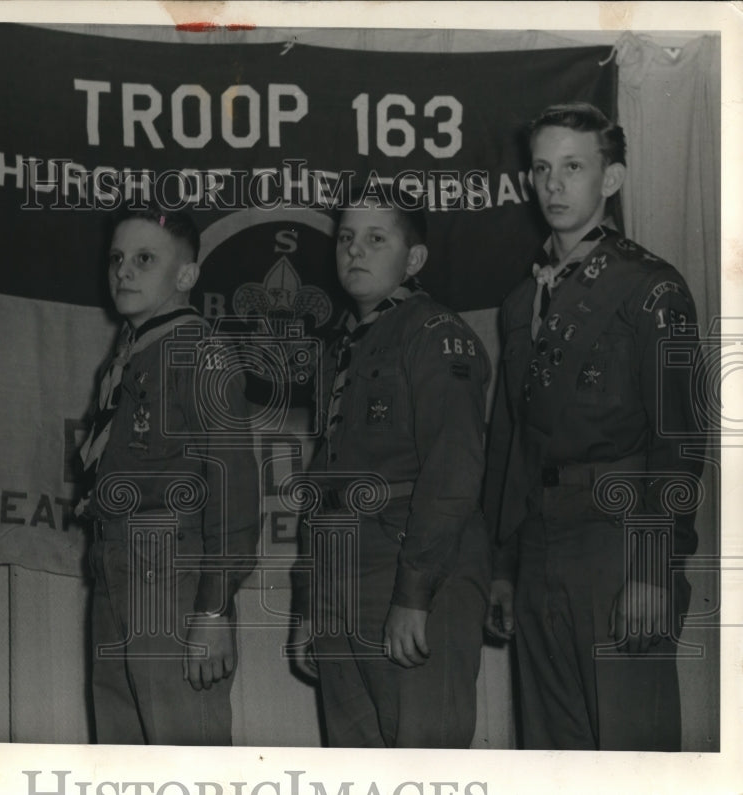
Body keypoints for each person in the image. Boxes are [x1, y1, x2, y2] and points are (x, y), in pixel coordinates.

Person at [482, 102, 703, 750]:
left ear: (610, 180)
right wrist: (503, 563)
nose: (553, 184)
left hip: (618, 536)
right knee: (553, 755)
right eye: (542, 168)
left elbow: (679, 440)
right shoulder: (523, 302)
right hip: (541, 542)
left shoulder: (649, 287)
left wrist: (652, 567)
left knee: (633, 750)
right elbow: (511, 442)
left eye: (573, 167)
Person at [290, 185, 492, 747]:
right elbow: (323, 480)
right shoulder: (342, 347)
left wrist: (414, 594)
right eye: (347, 238)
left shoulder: (435, 335)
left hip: (410, 569)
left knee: (422, 762)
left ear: (415, 258)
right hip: (343, 577)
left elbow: (453, 476)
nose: (355, 251)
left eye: (377, 238)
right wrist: (311, 604)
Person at [76, 207, 259, 745]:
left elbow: (233, 491)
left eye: (144, 259)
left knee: (185, 751)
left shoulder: (198, 354)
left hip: (170, 573)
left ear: (186, 276)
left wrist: (212, 608)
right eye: (117, 259)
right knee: (122, 752)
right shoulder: (130, 356)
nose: (123, 272)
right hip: (117, 566)